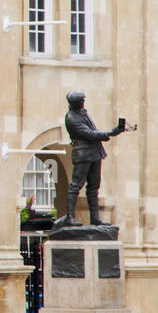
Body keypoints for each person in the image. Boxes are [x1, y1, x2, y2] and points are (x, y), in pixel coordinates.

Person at [58, 90, 124, 227]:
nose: (84, 102)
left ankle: (95, 218)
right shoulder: (71, 118)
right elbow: (88, 133)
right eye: (82, 100)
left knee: (94, 186)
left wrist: (109, 133)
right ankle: (70, 216)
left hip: (94, 152)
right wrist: (109, 133)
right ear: (76, 103)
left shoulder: (82, 113)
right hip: (83, 154)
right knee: (75, 185)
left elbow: (92, 131)